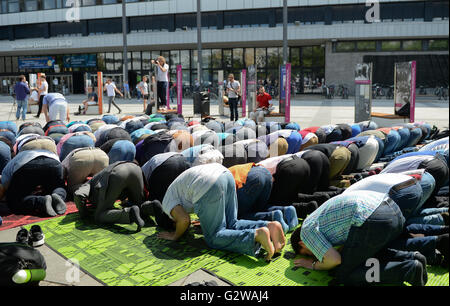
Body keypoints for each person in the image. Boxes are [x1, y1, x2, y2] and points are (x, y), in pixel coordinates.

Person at [290, 191, 429, 286]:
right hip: (391, 209)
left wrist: (313, 265)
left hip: (372, 218)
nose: (315, 256)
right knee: (366, 256)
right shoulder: (316, 218)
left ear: (302, 243)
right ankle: (412, 258)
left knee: (344, 274)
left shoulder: (306, 233)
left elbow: (335, 260)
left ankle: (407, 269)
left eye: (308, 254)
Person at [156, 163, 286, 261]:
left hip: (207, 184)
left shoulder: (167, 204)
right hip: (224, 174)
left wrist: (175, 235)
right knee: (232, 223)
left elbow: (184, 220)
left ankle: (255, 235)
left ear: (170, 220)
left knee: (213, 237)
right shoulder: (175, 189)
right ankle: (269, 225)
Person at [73, 161, 149, 231]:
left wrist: (84, 213)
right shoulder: (98, 176)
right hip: (135, 168)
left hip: (118, 173)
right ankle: (152, 206)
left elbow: (78, 194)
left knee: (99, 216)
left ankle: (129, 213)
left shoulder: (88, 184)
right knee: (139, 204)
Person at [0, 150, 67, 217]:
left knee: (14, 200)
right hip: (54, 162)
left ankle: (41, 202)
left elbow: (6, 187)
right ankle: (58, 196)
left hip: (27, 166)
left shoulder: (5, 172)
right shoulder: (42, 152)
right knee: (57, 186)